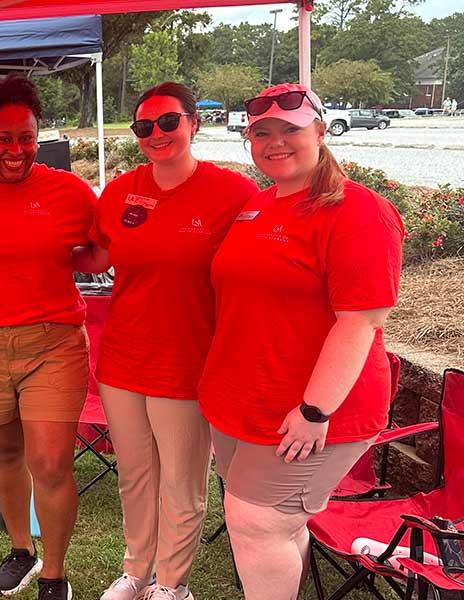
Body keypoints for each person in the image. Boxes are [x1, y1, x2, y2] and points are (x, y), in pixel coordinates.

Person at [197, 83, 405, 600]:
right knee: (279, 524)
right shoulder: (259, 205)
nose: (274, 142)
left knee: (255, 521)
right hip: (243, 401)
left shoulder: (358, 211)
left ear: (320, 130)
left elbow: (359, 322)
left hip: (312, 410)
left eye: (289, 130)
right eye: (261, 133)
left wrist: (315, 410)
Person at [74, 82, 259, 600]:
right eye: (144, 127)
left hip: (188, 360)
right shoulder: (121, 190)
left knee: (181, 484)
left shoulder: (233, 192)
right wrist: (33, 254)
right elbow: (98, 257)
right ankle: (136, 572)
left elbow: (263, 260)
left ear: (194, 123)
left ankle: (171, 585)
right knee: (135, 476)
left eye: (168, 122)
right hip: (123, 360)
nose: (157, 134)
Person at [0, 74, 98, 600]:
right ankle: (21, 549)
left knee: (52, 462)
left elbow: (102, 248)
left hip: (52, 342)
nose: (16, 150)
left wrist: (67, 263)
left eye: (26, 138)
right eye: (4, 138)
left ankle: (54, 575)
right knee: (4, 453)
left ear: (39, 136)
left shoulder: (70, 191)